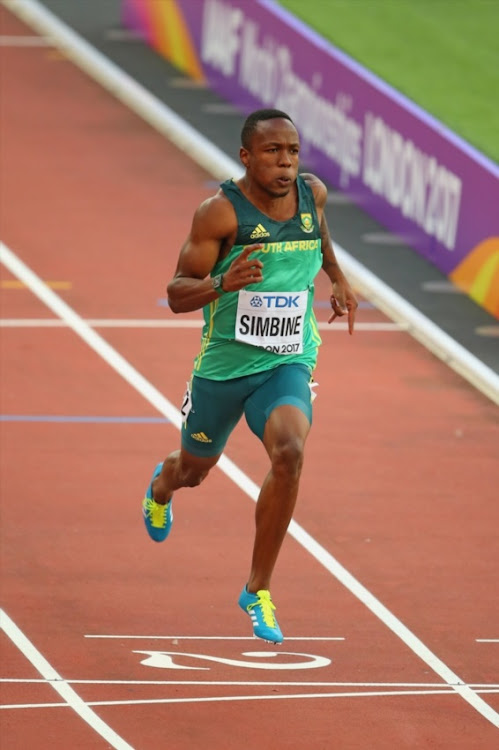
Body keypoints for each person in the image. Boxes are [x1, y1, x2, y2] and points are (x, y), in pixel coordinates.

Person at [142, 108, 357, 644]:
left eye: (292, 151)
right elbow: (174, 294)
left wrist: (338, 277)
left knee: (290, 451)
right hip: (224, 367)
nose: (285, 163)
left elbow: (320, 234)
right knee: (194, 468)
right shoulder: (220, 214)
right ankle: (162, 486)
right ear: (246, 157)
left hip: (288, 359)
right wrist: (223, 283)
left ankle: (257, 588)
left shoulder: (312, 194)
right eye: (271, 152)